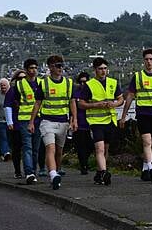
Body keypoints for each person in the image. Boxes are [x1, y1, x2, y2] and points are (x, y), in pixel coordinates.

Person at [28, 55, 77, 190]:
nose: (61, 68)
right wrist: (31, 122)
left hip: (63, 122)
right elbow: (37, 103)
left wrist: (75, 120)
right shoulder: (43, 83)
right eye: (57, 65)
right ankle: (53, 175)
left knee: (59, 152)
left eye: (62, 65)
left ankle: (56, 169)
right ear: (50, 67)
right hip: (47, 121)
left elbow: (72, 102)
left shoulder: (69, 83)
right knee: (51, 148)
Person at [78, 57, 124, 186]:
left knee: (106, 149)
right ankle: (104, 172)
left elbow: (121, 99)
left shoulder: (113, 83)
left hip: (110, 120)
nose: (103, 71)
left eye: (105, 68)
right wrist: (95, 105)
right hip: (96, 121)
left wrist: (114, 104)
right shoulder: (89, 85)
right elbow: (81, 104)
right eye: (100, 69)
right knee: (99, 148)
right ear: (95, 70)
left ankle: (99, 173)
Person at [120, 48, 152, 182]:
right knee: (146, 141)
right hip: (143, 113)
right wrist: (124, 115)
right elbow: (130, 97)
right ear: (143, 61)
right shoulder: (138, 77)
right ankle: (151, 168)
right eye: (146, 59)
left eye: (151, 59)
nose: (148, 62)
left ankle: (144, 169)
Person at [5, 59, 43, 184]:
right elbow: (11, 102)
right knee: (27, 147)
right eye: (31, 68)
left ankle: (33, 171)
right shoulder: (19, 85)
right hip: (24, 119)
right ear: (26, 70)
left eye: (36, 68)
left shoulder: (42, 83)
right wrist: (10, 120)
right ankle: (29, 173)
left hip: (39, 119)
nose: (34, 70)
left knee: (36, 148)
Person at [5, 70, 27, 178]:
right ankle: (17, 171)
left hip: (28, 123)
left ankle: (30, 171)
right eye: (19, 78)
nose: (22, 80)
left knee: (29, 149)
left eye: (24, 78)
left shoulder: (29, 90)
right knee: (17, 149)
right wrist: (10, 122)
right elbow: (7, 106)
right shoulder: (12, 91)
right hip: (16, 124)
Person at [73, 72, 94, 175]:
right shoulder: (76, 93)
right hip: (79, 122)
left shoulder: (91, 92)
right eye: (81, 82)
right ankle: (83, 165)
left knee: (90, 146)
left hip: (90, 121)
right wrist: (73, 120)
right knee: (80, 146)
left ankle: (86, 162)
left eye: (85, 82)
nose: (83, 84)